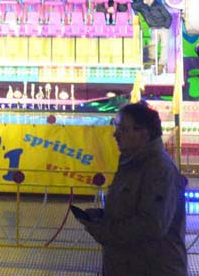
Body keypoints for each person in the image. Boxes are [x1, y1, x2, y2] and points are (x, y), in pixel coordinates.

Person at [74, 101, 186, 276]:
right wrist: (103, 216)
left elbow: (151, 224)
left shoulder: (159, 169)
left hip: (152, 267)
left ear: (144, 134)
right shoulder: (131, 163)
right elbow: (133, 208)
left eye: (123, 129)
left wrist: (105, 231)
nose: (115, 135)